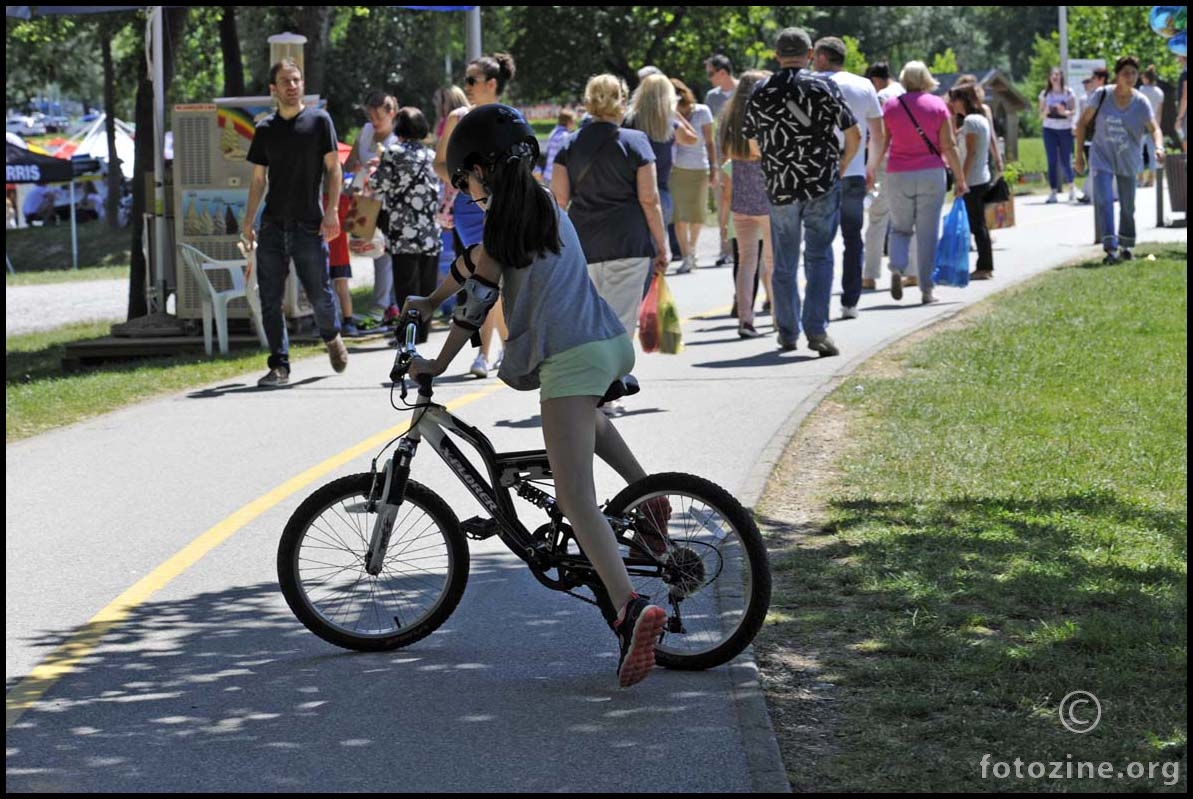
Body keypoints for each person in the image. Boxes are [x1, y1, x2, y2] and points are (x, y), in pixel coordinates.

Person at [404, 104, 669, 688]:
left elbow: (476, 303)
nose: (466, 192)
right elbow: (474, 266)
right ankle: (648, 499)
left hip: (572, 359)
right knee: (588, 429)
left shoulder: (506, 220)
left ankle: (630, 608)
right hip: (606, 343)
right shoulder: (540, 204)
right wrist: (429, 297)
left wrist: (436, 363)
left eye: (464, 181)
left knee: (575, 498)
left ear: (480, 170)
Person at [552, 74, 669, 415]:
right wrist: (662, 244)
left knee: (590, 321)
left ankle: (592, 388)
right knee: (619, 321)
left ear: (588, 101)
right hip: (629, 243)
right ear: (622, 99)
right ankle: (609, 392)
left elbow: (558, 201)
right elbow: (650, 199)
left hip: (583, 245)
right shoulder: (636, 142)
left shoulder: (569, 144)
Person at [743, 26, 860, 356]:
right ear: (810, 55)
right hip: (821, 182)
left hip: (780, 186)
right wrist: (839, 166)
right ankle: (817, 331)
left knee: (784, 260)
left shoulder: (761, 90)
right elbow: (854, 136)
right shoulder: (824, 85)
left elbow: (752, 146)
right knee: (820, 255)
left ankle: (788, 331)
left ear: (777, 56)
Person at [244, 58, 348, 387]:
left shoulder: (319, 121)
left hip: (309, 224)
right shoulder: (264, 129)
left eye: (297, 80)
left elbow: (334, 169)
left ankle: (331, 337)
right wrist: (248, 221)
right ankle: (279, 366)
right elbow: (259, 179)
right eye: (286, 82)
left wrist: (331, 210)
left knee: (319, 294)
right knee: (269, 299)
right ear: (273, 89)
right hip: (272, 225)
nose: (292, 86)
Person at [434, 52, 515, 379]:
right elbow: (439, 163)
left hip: (505, 208)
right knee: (485, 276)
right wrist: (467, 185)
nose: (466, 86)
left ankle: (503, 348)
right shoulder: (458, 117)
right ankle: (487, 351)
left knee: (504, 279)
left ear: (491, 84)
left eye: (472, 80)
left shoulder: (508, 117)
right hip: (470, 211)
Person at [876, 60, 968, 304]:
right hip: (930, 173)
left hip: (897, 174)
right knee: (927, 234)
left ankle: (896, 267)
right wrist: (960, 178)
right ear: (926, 79)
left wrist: (872, 168)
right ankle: (926, 290)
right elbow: (948, 145)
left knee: (900, 227)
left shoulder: (891, 106)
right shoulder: (937, 105)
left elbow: (884, 142)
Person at [813, 36, 883, 320]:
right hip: (854, 171)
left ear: (821, 58)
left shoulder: (811, 83)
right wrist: (872, 167)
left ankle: (818, 302)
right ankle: (850, 301)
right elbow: (878, 133)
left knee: (819, 239)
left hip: (818, 172)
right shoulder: (864, 85)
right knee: (852, 237)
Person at [1074, 56, 1164, 264]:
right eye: (1126, 73)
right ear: (1117, 75)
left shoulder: (1141, 102)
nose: (1130, 77)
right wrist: (1079, 156)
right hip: (1101, 156)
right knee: (1104, 200)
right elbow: (1081, 124)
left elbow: (1155, 129)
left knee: (1127, 205)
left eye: (1134, 73)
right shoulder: (1102, 94)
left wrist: (1159, 147)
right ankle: (1110, 249)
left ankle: (1126, 245)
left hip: (1128, 158)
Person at [372, 107, 441, 344]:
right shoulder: (431, 156)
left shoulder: (393, 153)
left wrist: (376, 166)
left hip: (403, 231)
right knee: (427, 287)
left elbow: (377, 185)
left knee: (406, 287)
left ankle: (408, 334)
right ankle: (422, 332)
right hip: (430, 232)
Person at [623, 73, 699, 276]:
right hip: (660, 193)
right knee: (657, 253)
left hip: (629, 193)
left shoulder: (628, 121)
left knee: (633, 257)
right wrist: (676, 114)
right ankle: (653, 301)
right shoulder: (669, 124)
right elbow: (692, 138)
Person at [718, 70, 775, 338]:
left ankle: (745, 320)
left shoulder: (729, 119)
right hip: (766, 198)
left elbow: (727, 155)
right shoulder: (762, 117)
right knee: (773, 262)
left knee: (746, 263)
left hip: (741, 201)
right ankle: (779, 317)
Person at [343, 91, 400, 323]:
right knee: (374, 251)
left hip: (387, 202)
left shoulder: (397, 139)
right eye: (371, 115)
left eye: (379, 116)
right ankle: (389, 305)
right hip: (365, 200)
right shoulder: (366, 131)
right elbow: (349, 162)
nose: (374, 121)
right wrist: (356, 165)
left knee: (385, 253)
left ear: (391, 114)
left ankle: (383, 306)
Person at [862, 61, 907, 291]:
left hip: (886, 161)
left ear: (875, 80)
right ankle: (909, 270)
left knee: (878, 218)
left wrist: (870, 166)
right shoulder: (904, 90)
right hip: (908, 160)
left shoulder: (880, 98)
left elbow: (877, 136)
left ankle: (870, 274)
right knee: (906, 219)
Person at [670, 77, 717, 273]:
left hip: (699, 166)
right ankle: (687, 255)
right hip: (677, 168)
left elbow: (709, 141)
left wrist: (714, 167)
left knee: (697, 213)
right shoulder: (668, 115)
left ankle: (693, 249)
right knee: (680, 215)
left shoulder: (702, 111)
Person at [949, 84, 995, 280]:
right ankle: (984, 264)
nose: (952, 104)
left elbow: (971, 152)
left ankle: (985, 266)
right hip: (981, 176)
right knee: (979, 224)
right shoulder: (980, 119)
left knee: (978, 225)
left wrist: (962, 180)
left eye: (955, 99)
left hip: (973, 179)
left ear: (963, 100)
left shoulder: (970, 121)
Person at [704, 54, 739, 265]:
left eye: (711, 73)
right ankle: (725, 250)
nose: (709, 78)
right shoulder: (712, 97)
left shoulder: (743, 91)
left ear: (723, 72)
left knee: (742, 206)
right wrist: (714, 166)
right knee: (722, 205)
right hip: (721, 159)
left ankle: (741, 247)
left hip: (742, 158)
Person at [1039, 67, 1078, 203]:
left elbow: (1073, 111)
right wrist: (1047, 110)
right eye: (1052, 75)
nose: (1054, 77)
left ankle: (1072, 188)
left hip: (1065, 129)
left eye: (1057, 74)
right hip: (1049, 129)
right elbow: (1041, 114)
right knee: (1052, 160)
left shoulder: (1068, 92)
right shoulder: (1045, 94)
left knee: (1066, 160)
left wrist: (1064, 112)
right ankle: (1053, 191)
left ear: (1061, 76)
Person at [1075, 68, 1110, 204]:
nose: (1091, 81)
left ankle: (1094, 194)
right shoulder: (1093, 95)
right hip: (1093, 136)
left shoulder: (1106, 94)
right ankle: (1089, 193)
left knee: (1098, 167)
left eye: (1093, 79)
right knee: (1094, 166)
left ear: (1101, 79)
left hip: (1104, 137)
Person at [1137, 66, 1165, 188]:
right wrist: (1157, 127)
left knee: (1139, 152)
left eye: (1143, 77)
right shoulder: (1159, 92)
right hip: (1154, 125)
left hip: (1141, 124)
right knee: (1153, 152)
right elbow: (1159, 112)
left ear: (1147, 79)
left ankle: (1140, 177)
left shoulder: (1141, 89)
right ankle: (1152, 178)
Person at [536, 108, 576, 185]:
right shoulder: (565, 136)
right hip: (556, 177)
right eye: (574, 122)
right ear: (569, 122)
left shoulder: (553, 133)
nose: (574, 125)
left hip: (547, 174)